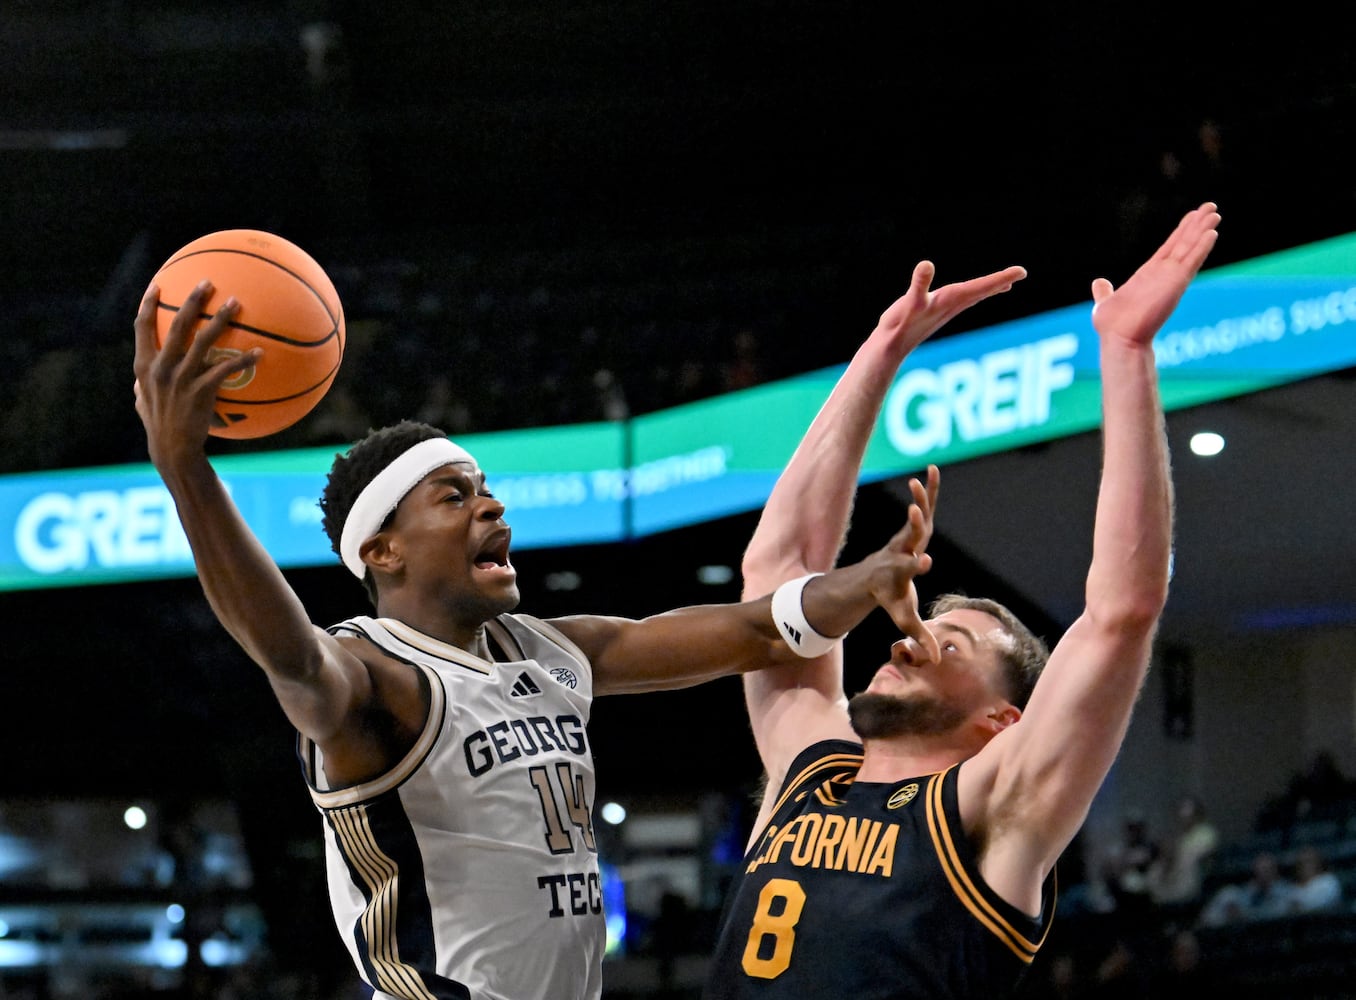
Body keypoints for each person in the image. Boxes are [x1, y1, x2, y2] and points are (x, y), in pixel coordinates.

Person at [130, 262, 1020, 1000]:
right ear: (386, 551)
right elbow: (286, 651)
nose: (491, 504)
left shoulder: (551, 650)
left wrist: (863, 581)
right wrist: (187, 476)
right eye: (456, 496)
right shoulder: (373, 676)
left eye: (485, 486)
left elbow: (757, 632)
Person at [702, 202, 1222, 999]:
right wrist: (882, 351)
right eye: (923, 626)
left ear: (1002, 721)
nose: (907, 640)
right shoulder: (809, 763)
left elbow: (1121, 612)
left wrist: (1125, 354)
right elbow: (784, 566)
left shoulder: (994, 805)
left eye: (952, 646)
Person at [1197, 850, 1294, 926]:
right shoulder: (1246, 891)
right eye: (1259, 871)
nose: (1263, 874)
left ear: (1275, 871)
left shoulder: (1285, 890)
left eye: (1267, 870)